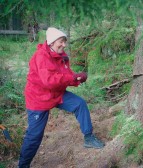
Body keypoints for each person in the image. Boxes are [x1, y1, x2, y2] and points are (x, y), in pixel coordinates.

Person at [18, 27, 105, 168]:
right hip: (38, 98)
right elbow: (49, 80)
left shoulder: (62, 56)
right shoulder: (41, 56)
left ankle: (89, 137)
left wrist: (77, 78)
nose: (64, 45)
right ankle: (23, 165)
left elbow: (65, 75)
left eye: (65, 41)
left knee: (79, 104)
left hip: (56, 94)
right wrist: (72, 77)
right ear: (52, 42)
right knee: (34, 136)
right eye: (61, 41)